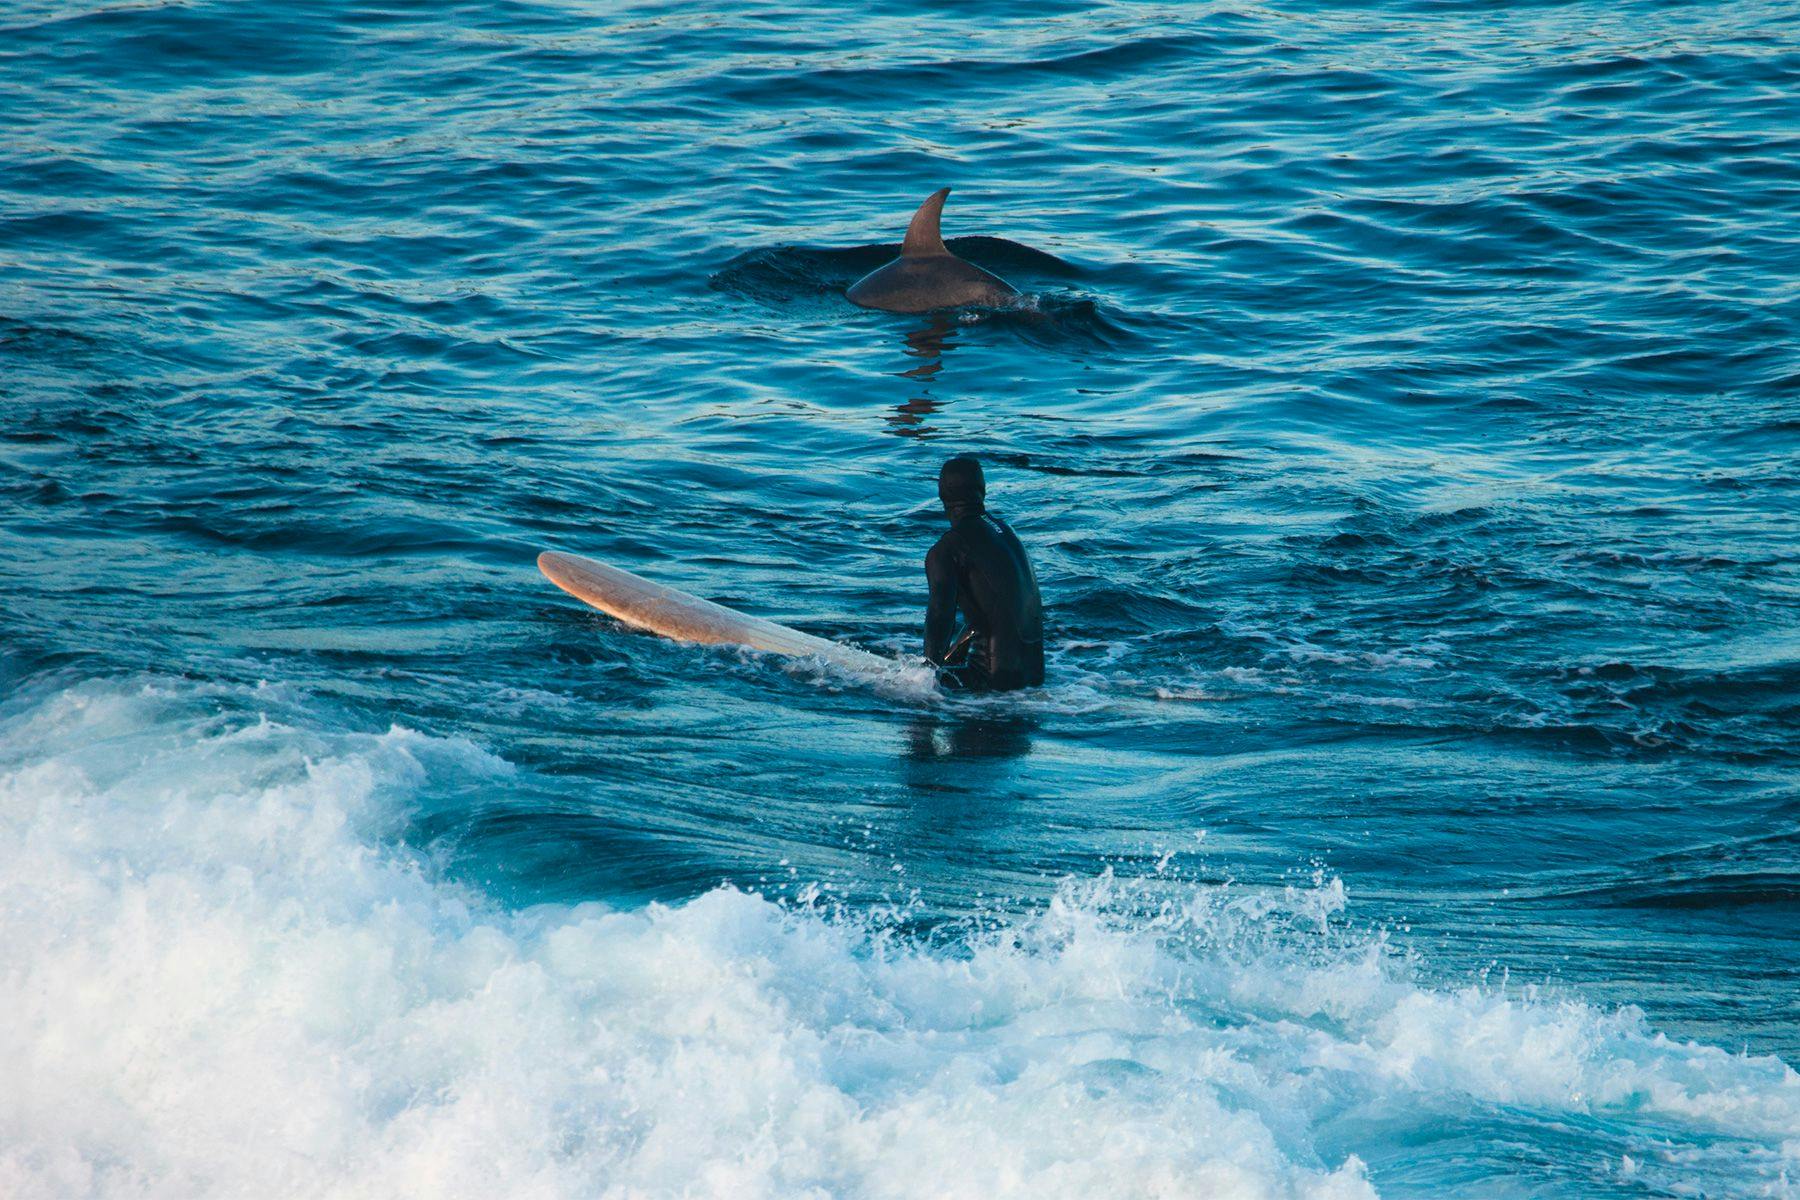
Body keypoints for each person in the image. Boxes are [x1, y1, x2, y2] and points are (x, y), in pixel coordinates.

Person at [924, 456, 1045, 691]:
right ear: (983, 490)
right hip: (1034, 679)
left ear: (942, 494)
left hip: (992, 686)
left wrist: (925, 678)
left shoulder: (947, 549)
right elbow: (991, 613)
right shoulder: (1006, 533)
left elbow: (940, 616)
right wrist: (950, 660)